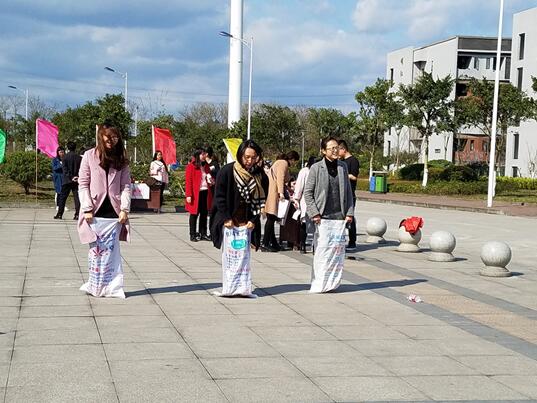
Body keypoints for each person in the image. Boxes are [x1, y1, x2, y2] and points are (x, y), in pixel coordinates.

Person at [77, 123, 131, 298]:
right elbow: (83, 183)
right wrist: (87, 208)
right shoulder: (89, 156)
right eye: (108, 136)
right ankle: (95, 285)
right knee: (95, 253)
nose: (111, 140)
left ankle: (111, 286)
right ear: (101, 136)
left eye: (115, 137)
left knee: (111, 253)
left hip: (114, 213)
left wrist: (124, 209)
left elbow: (126, 186)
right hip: (94, 212)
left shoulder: (121, 159)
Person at [304, 137, 354, 293]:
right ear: (323, 151)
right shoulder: (316, 168)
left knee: (336, 253)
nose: (335, 150)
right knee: (322, 252)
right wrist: (315, 213)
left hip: (339, 218)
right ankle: (319, 282)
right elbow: (308, 193)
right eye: (331, 148)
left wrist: (349, 212)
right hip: (322, 217)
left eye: (336, 147)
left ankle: (332, 283)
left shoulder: (342, 167)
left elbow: (348, 191)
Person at [210, 139, 268, 251]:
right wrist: (226, 218)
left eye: (254, 157)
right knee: (230, 255)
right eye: (247, 157)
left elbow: (262, 200)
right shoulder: (227, 171)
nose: (250, 161)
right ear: (240, 155)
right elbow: (219, 197)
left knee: (244, 256)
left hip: (247, 221)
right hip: (229, 219)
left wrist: (253, 220)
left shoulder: (260, 175)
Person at [262, 150, 299, 252]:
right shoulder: (283, 163)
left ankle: (273, 243)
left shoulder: (279, 162)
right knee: (271, 218)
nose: (294, 164)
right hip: (274, 193)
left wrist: (288, 189)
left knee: (272, 218)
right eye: (294, 161)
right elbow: (280, 178)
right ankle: (265, 243)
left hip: (272, 191)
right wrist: (281, 193)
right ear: (292, 159)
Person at [185, 149, 214, 242]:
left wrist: (211, 181)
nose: (205, 156)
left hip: (205, 191)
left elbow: (209, 178)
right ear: (198, 155)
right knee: (194, 214)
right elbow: (188, 181)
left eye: (205, 154)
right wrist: (188, 195)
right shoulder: (191, 166)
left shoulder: (206, 166)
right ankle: (192, 234)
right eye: (203, 154)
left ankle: (203, 233)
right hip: (196, 193)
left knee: (204, 214)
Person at [338, 139, 360, 250]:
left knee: (350, 217)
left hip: (350, 193)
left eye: (338, 150)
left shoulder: (353, 161)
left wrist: (343, 175)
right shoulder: (341, 162)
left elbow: (354, 177)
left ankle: (352, 241)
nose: (337, 153)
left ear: (343, 149)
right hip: (340, 194)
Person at [292, 156, 316, 253]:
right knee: (304, 222)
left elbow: (299, 186)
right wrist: (296, 198)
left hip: (315, 200)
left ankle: (313, 245)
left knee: (313, 223)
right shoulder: (305, 171)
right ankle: (303, 244)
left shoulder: (316, 171)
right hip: (306, 200)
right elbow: (299, 186)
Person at [54, 141, 82, 220]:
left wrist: (71, 177)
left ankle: (60, 214)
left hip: (67, 180)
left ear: (68, 148)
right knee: (77, 198)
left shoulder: (65, 157)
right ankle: (77, 214)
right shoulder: (79, 158)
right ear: (75, 148)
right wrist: (76, 177)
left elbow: (65, 169)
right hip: (76, 180)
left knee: (62, 198)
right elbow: (81, 169)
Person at [51, 146, 65, 211]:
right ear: (58, 152)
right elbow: (54, 168)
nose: (62, 153)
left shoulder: (65, 159)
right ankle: (58, 205)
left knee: (63, 192)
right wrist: (60, 165)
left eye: (63, 152)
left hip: (64, 177)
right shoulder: (55, 159)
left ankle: (63, 205)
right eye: (60, 152)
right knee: (58, 191)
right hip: (58, 178)